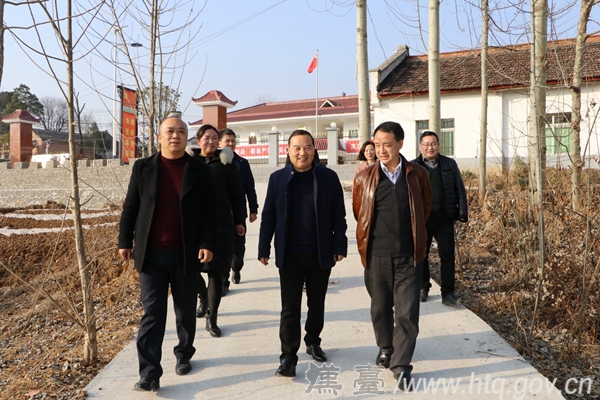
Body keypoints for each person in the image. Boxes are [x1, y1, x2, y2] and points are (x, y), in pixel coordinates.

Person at [118, 116, 217, 392]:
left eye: (181, 131)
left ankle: (184, 353)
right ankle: (149, 373)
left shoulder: (199, 170)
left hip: (186, 253)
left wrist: (207, 244)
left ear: (187, 138)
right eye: (170, 131)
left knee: (185, 310)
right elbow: (131, 206)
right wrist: (124, 241)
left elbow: (211, 212)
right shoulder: (143, 168)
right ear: (159, 137)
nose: (176, 135)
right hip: (151, 255)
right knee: (153, 313)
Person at [258, 129, 347, 378]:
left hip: (320, 252)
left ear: (314, 150)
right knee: (289, 307)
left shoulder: (328, 177)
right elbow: (268, 216)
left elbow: (338, 215)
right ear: (288, 151)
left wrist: (339, 245)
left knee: (316, 302)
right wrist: (264, 247)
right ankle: (288, 356)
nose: (302, 152)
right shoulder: (277, 179)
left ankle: (313, 340)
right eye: (296, 148)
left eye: (307, 147)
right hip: (290, 254)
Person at [352, 121, 432, 390]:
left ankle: (401, 365)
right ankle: (386, 347)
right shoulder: (365, 177)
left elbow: (425, 209)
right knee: (380, 308)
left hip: (409, 256)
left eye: (387, 144)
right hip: (377, 255)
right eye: (377, 144)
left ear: (400, 143)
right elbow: (360, 213)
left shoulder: (417, 174)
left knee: (407, 312)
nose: (381, 150)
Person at [190, 124, 246, 337]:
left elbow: (236, 194)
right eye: (207, 138)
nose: (211, 141)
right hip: (194, 225)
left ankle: (212, 317)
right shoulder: (189, 162)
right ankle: (203, 297)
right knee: (191, 269)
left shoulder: (226, 163)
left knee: (216, 271)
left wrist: (239, 221)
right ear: (198, 140)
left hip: (221, 224)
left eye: (215, 138)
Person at [412, 131, 468, 306]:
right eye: (426, 144)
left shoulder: (449, 164)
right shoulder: (413, 167)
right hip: (423, 220)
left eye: (433, 143)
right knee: (421, 254)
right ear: (420, 146)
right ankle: (423, 286)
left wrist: (462, 211)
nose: (430, 147)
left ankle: (448, 293)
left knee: (447, 255)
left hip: (444, 217)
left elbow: (459, 188)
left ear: (438, 145)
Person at [218, 128, 259, 285]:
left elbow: (250, 188)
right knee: (222, 247)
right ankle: (223, 281)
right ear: (219, 143)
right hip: (220, 213)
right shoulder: (214, 163)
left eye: (233, 140)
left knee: (238, 247)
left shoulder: (242, 163)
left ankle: (236, 267)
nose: (230, 143)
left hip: (238, 212)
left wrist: (253, 210)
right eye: (227, 140)